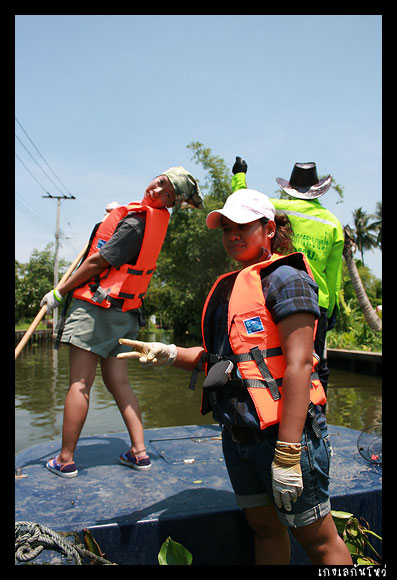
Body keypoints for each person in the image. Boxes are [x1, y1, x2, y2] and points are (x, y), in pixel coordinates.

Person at [117, 189, 352, 565]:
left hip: (285, 438)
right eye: (226, 228)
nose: (232, 235)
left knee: (319, 540)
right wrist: (170, 353)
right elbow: (222, 363)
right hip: (239, 436)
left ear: (269, 228)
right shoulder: (233, 288)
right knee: (264, 528)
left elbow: (299, 365)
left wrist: (289, 452)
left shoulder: (287, 279)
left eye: (242, 226)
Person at [40, 166, 203, 478]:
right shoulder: (148, 220)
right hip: (126, 314)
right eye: (159, 182)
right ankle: (140, 453)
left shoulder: (135, 222)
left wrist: (59, 292)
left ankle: (65, 459)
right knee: (120, 383)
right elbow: (127, 241)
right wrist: (114, 219)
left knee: (80, 383)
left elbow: (99, 260)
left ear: (172, 202)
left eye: (167, 193)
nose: (157, 191)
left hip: (97, 310)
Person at [231, 158, 344, 402]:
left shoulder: (277, 208)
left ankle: (272, 411)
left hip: (275, 292)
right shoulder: (332, 223)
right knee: (313, 363)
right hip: (317, 301)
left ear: (290, 187)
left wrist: (239, 174)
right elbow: (333, 275)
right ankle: (315, 417)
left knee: (272, 358)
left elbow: (243, 202)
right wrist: (331, 309)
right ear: (317, 188)